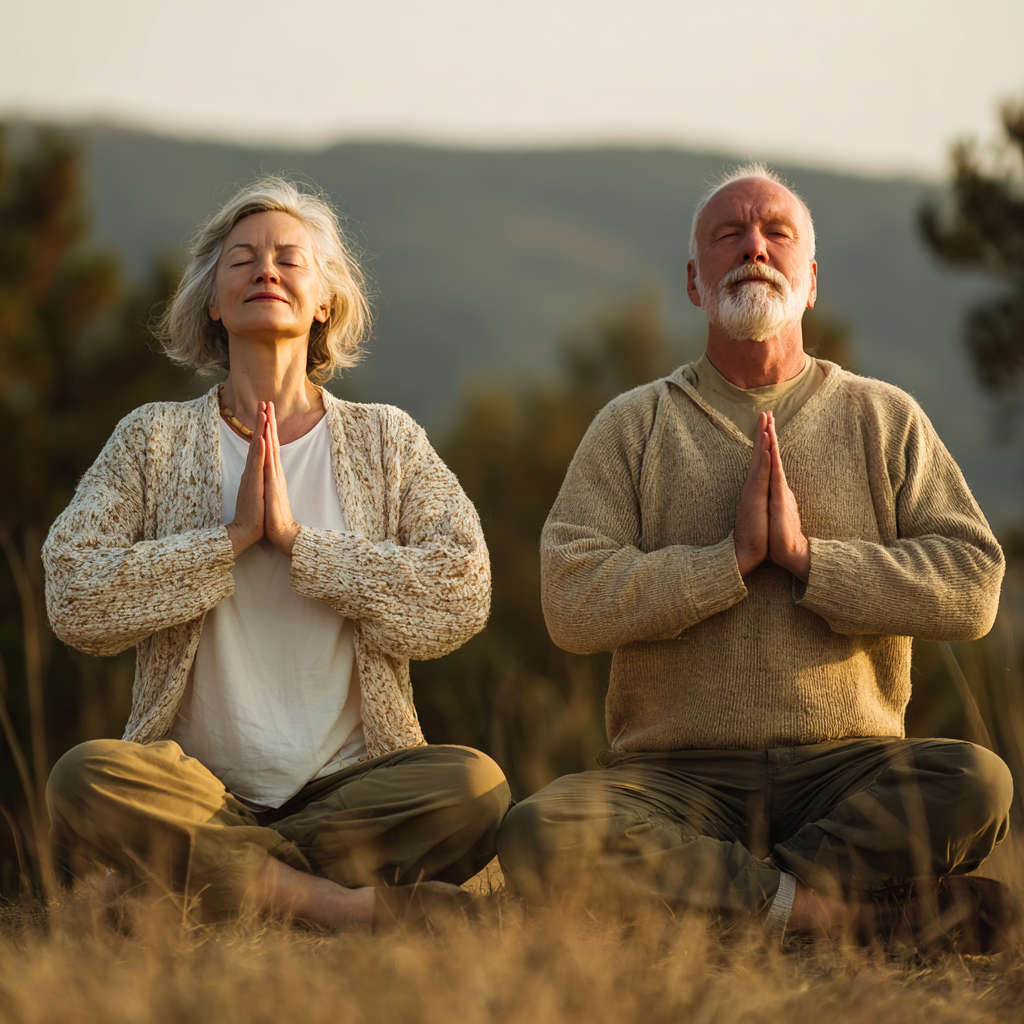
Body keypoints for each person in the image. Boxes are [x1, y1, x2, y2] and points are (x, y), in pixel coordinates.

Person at [496, 164, 1018, 951]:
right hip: (674, 779)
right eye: (727, 234)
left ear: (810, 280)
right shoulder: (632, 425)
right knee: (540, 829)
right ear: (694, 283)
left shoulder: (885, 418)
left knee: (977, 782)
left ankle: (731, 901)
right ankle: (833, 918)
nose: (753, 247)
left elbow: (973, 585)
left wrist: (811, 562)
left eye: (777, 232)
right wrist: (727, 564)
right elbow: (571, 600)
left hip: (850, 773)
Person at [44, 176, 509, 930]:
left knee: (477, 786)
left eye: (290, 258)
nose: (267, 268)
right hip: (194, 784)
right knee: (82, 777)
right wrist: (226, 543)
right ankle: (338, 907)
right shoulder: (152, 438)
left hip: (349, 790)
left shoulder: (385, 439)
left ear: (324, 299)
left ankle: (199, 880)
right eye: (243, 259)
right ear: (212, 303)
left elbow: (462, 593)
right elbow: (73, 595)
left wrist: (302, 546)